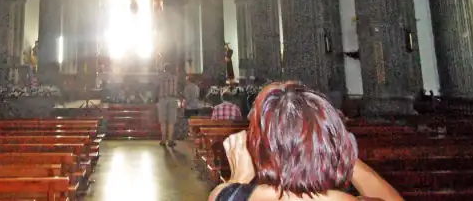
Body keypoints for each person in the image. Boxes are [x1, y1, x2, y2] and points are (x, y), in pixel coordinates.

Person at [208, 81, 405, 201]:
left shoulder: (226, 197)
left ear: (256, 148)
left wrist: (239, 177)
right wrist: (339, 149)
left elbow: (228, 196)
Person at [157, 63, 180, 147]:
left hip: (163, 99)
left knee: (163, 121)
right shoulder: (175, 78)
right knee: (171, 121)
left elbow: (156, 85)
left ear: (164, 69)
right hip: (173, 99)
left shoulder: (160, 76)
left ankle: (163, 140)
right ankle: (170, 140)